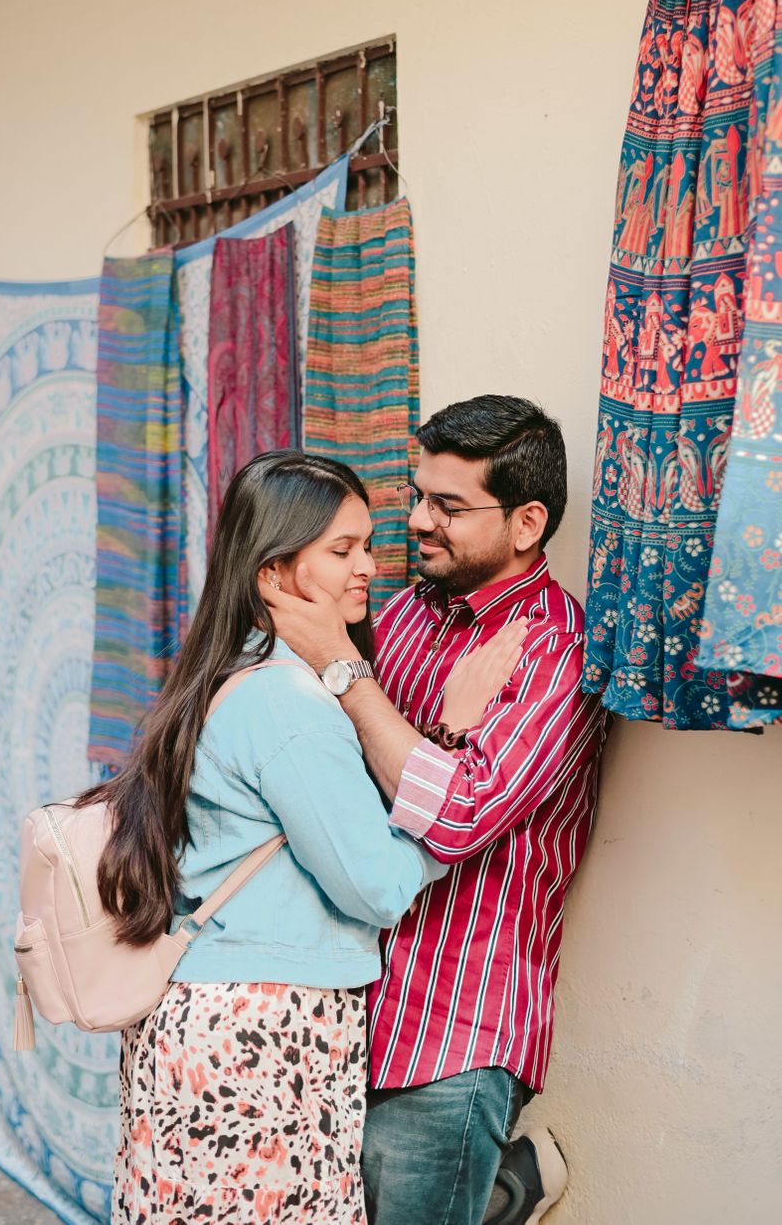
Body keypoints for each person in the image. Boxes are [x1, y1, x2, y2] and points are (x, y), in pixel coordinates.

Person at [78, 450, 524, 1224]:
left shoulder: (234, 674)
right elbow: (378, 884)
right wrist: (450, 749)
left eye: (368, 546)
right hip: (261, 1034)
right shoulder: (289, 702)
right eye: (341, 551)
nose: (368, 569)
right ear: (273, 573)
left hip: (211, 1023)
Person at [264, 396, 607, 1225]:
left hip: (456, 1031)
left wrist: (349, 673)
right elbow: (349, 770)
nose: (418, 521)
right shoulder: (411, 608)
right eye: (417, 496)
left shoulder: (555, 648)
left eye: (449, 507)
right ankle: (502, 1189)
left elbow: (451, 818)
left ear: (527, 522)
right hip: (351, 1001)